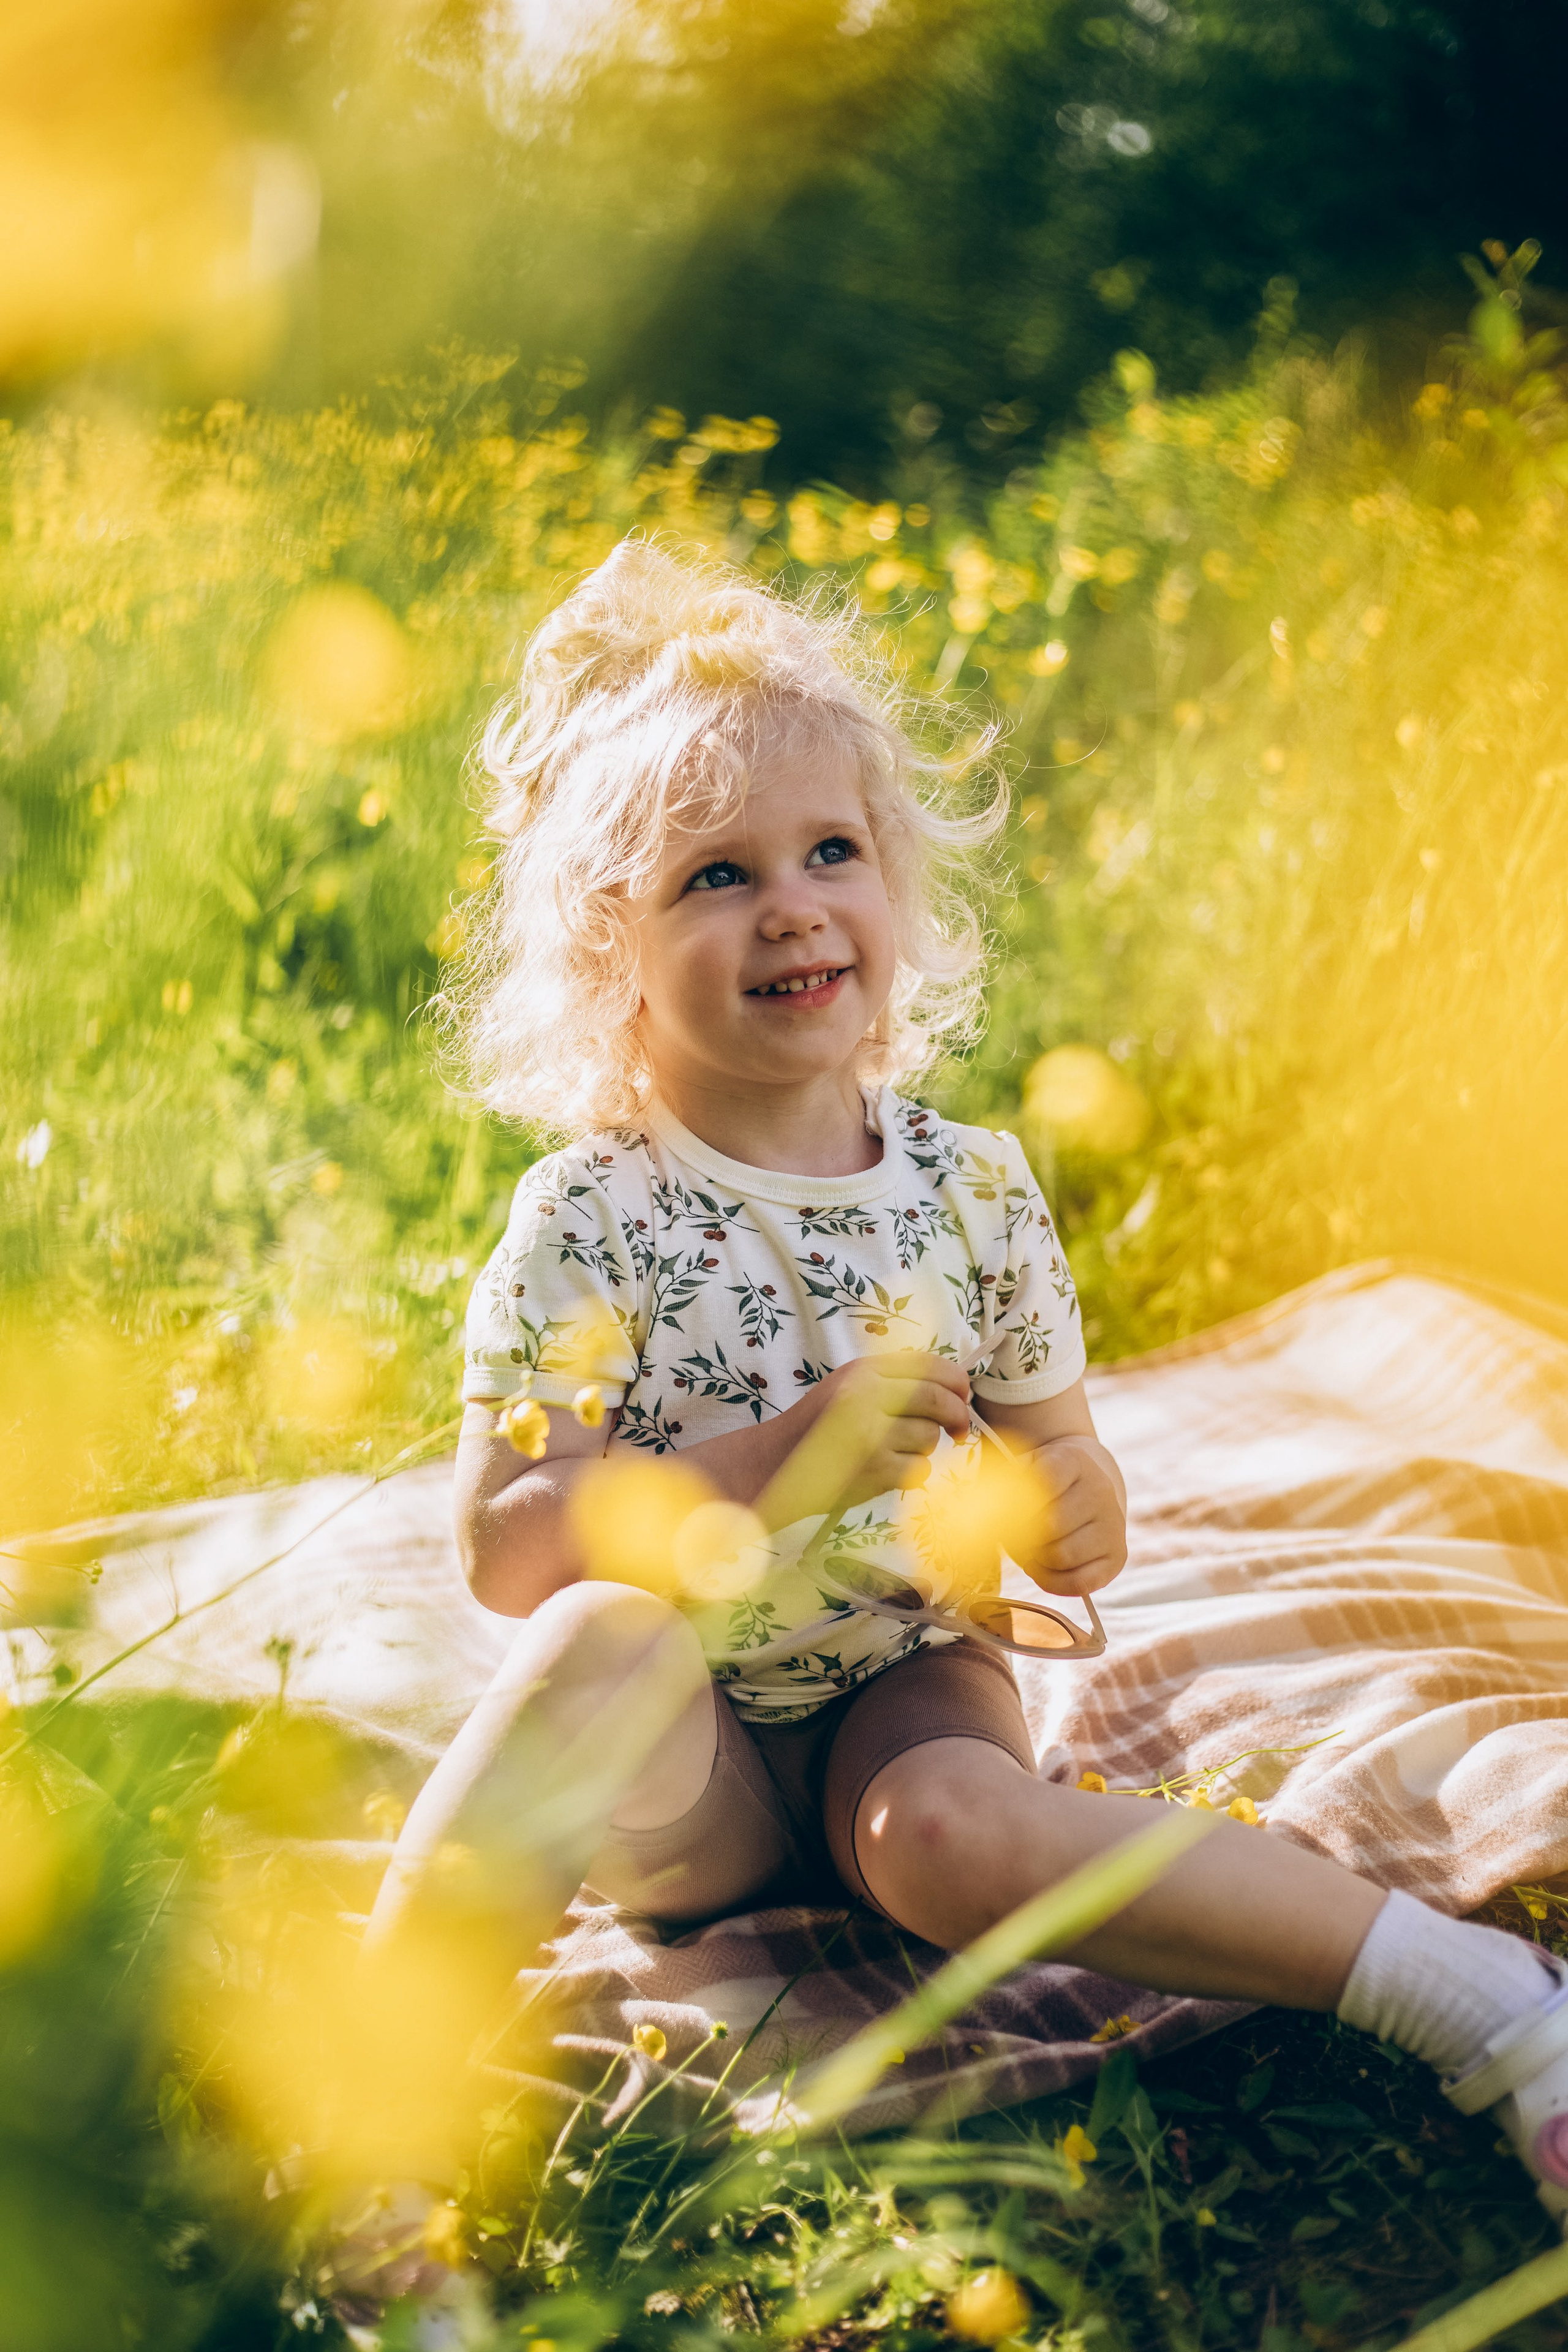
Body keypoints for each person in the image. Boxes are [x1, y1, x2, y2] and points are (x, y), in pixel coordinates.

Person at [369, 539, 1568, 2221]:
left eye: (831, 851)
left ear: (898, 891)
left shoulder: (972, 1191)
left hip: (904, 1692)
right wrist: (778, 1455)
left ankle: (1485, 2006)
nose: (790, 902)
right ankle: (371, 2119)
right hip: (682, 1768)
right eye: (716, 876)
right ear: (607, 951)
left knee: (947, 1828)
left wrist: (1075, 1512)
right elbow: (506, 1542)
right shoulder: (594, 1216)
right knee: (597, 1634)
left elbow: (1065, 1471)